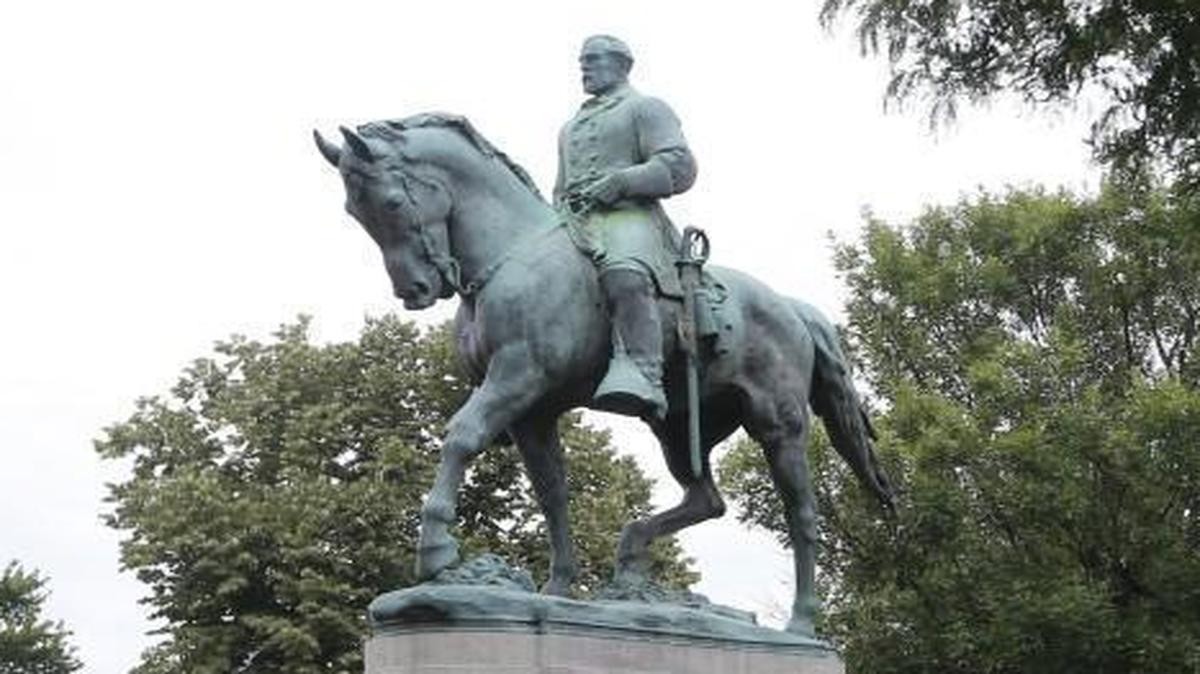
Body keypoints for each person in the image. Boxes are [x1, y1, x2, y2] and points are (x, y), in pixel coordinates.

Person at [554, 34, 697, 421]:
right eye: (582, 61)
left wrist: (622, 182)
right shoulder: (569, 128)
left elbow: (679, 165)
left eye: (593, 60)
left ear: (622, 65)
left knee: (624, 274)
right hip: (576, 220)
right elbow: (560, 187)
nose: (584, 67)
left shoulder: (645, 108)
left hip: (631, 216)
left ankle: (643, 371)